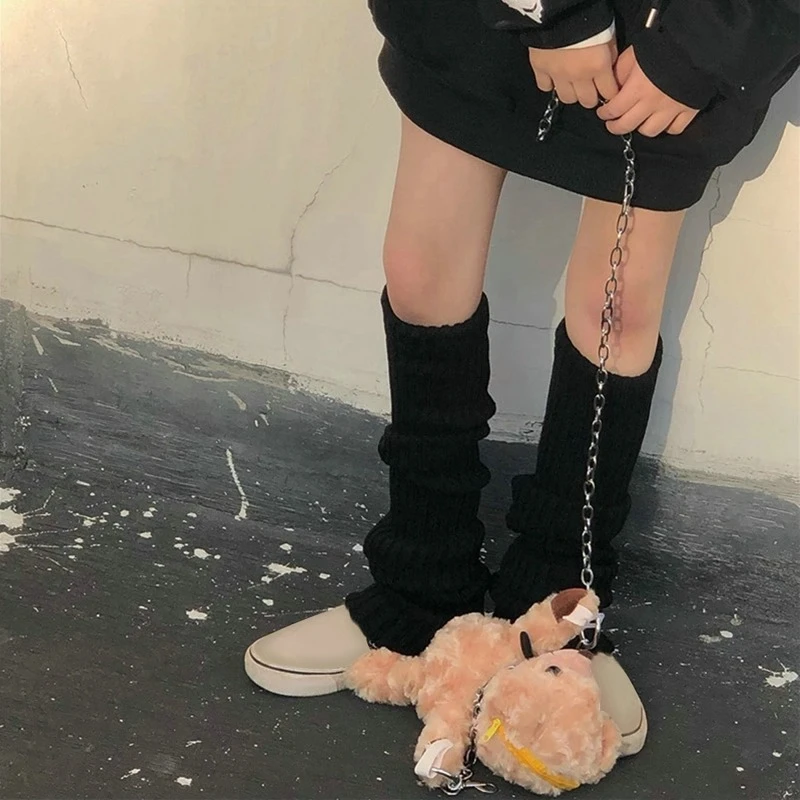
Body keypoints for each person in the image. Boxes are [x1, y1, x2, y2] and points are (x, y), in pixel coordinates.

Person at [244, 0, 799, 753]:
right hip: (483, 22)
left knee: (617, 311)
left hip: (670, 35)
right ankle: (419, 580)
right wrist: (562, 16)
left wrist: (704, 45)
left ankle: (560, 610)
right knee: (423, 269)